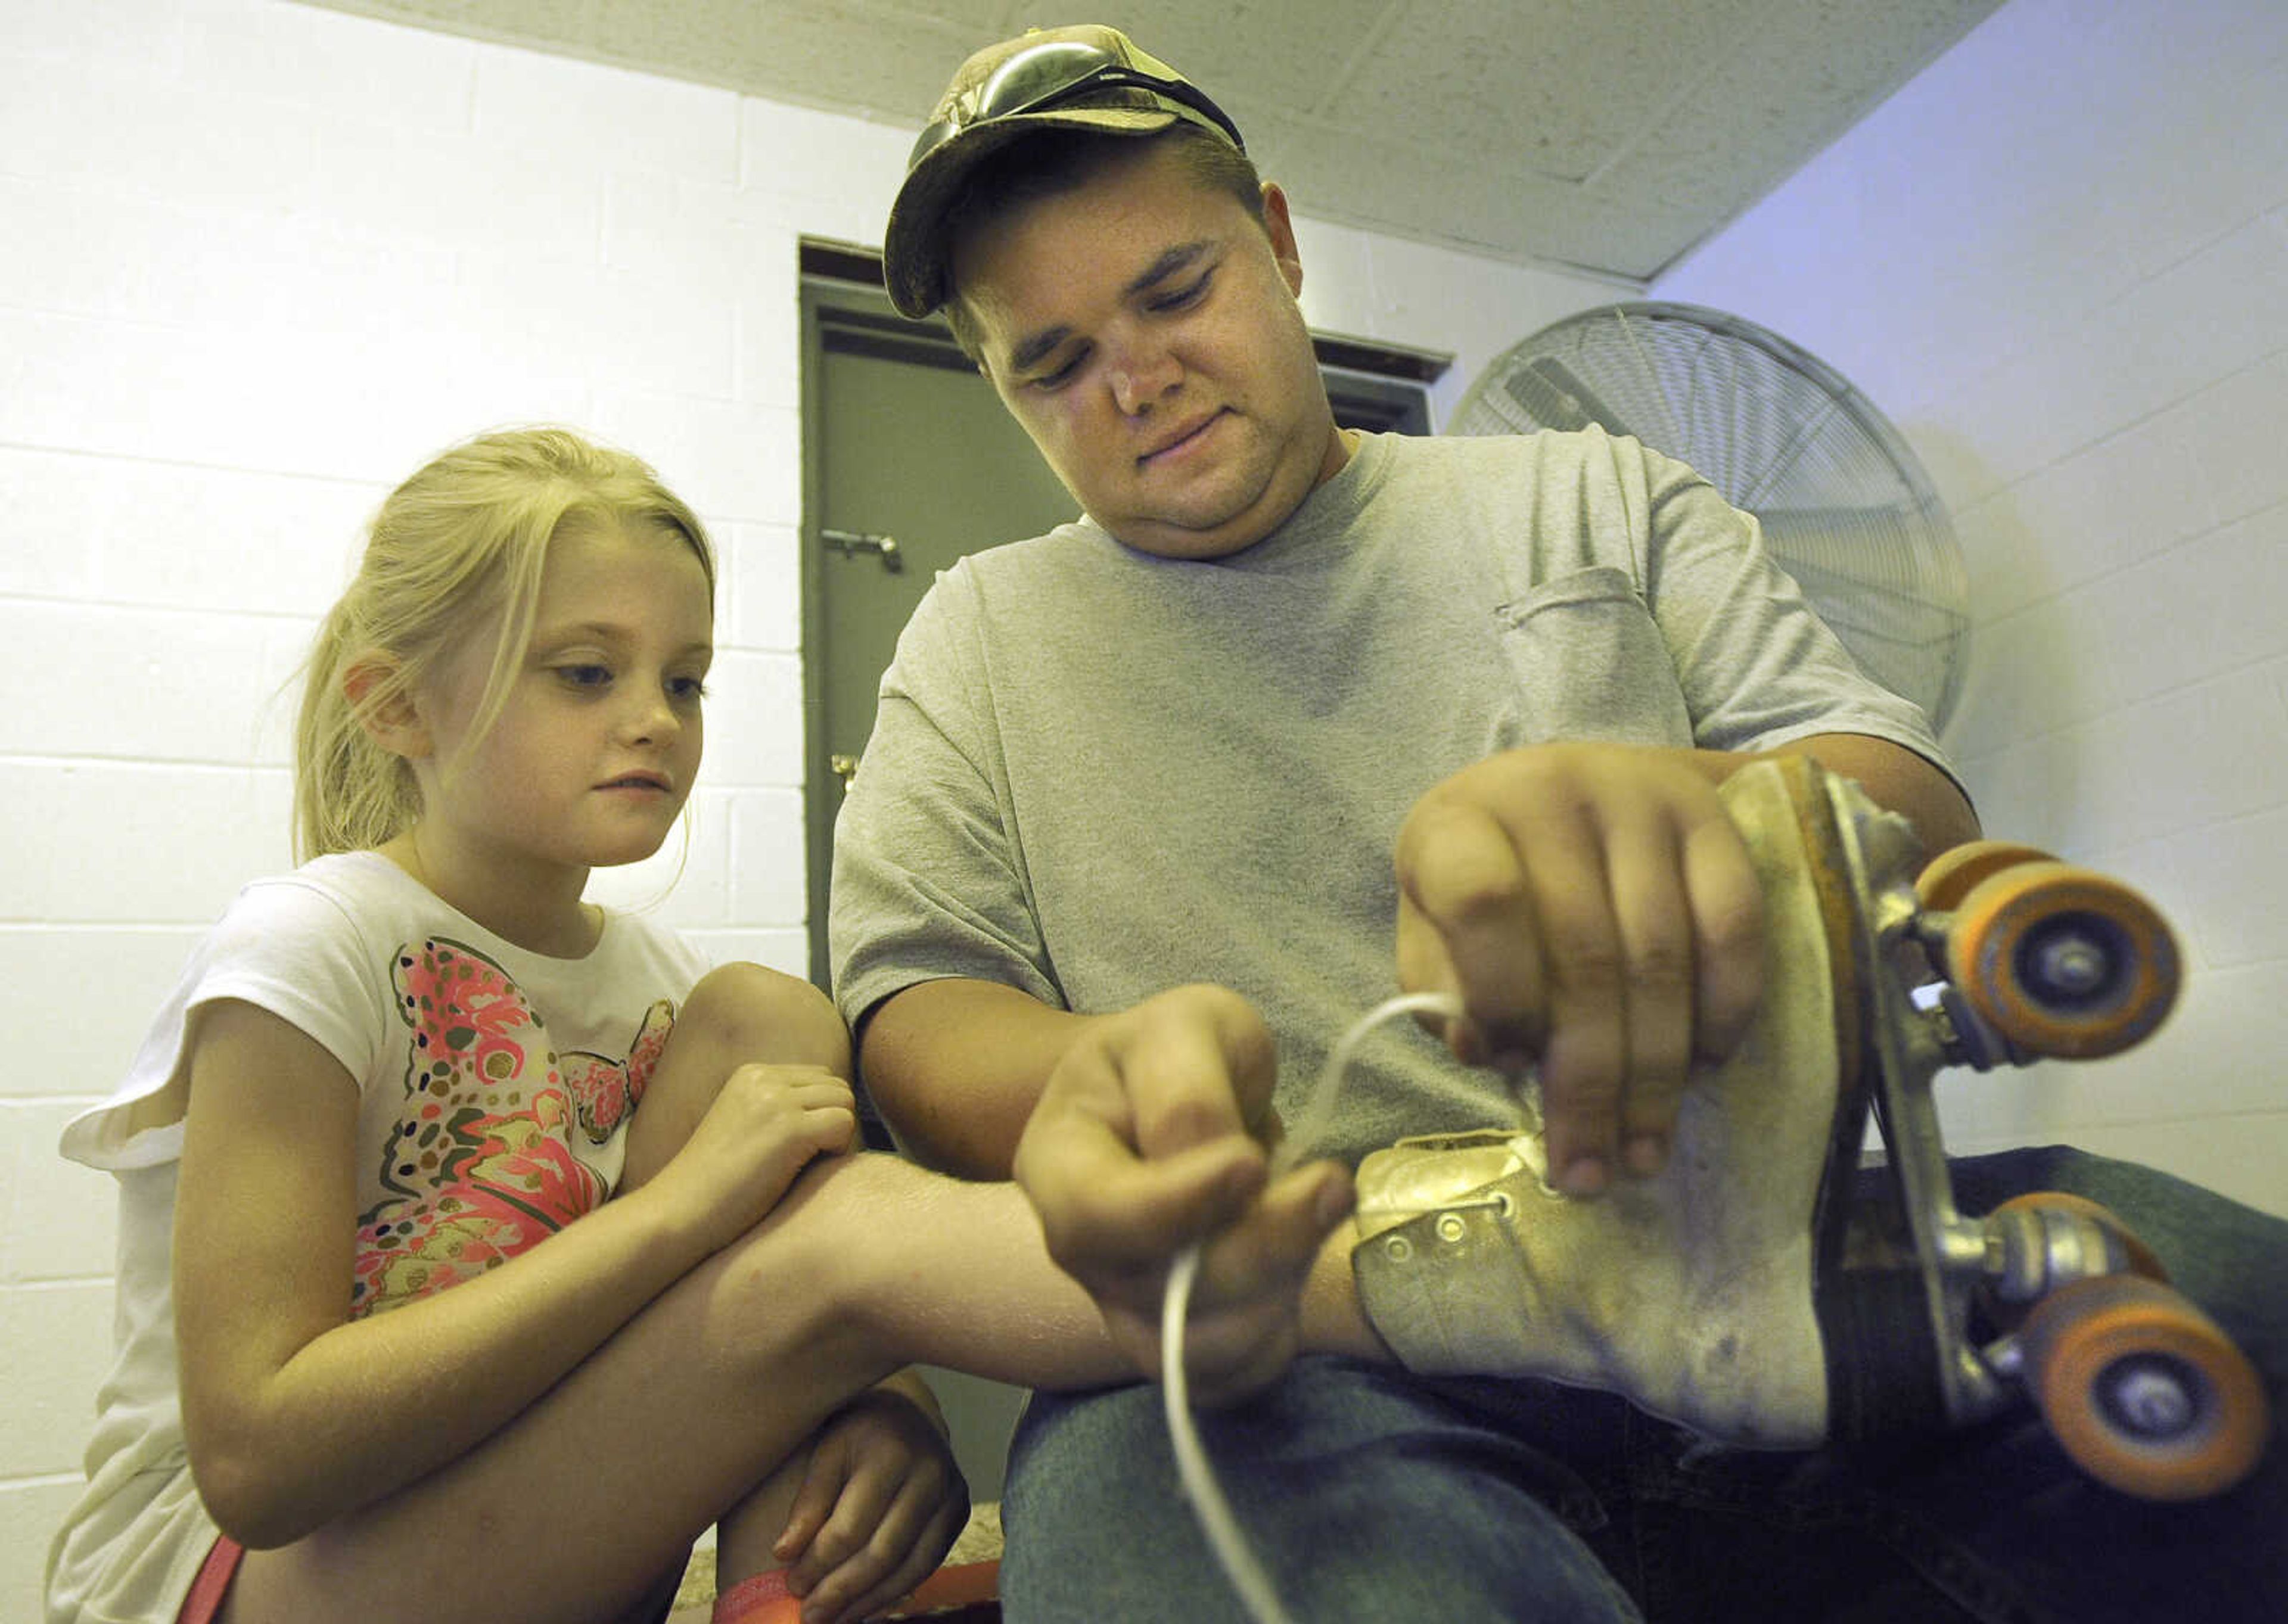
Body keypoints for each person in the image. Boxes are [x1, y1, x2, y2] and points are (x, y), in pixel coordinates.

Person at [831, 24, 2288, 1623]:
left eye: (1176, 290)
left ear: (1282, 240)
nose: (1134, 375)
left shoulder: (1596, 492)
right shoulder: (975, 639)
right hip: (1316, 1348)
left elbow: (1899, 791)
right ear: (998, 386)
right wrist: (1082, 1085)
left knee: (2238, 1314)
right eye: (1050, 359)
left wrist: (1728, 816)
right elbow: (916, 994)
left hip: (1768, 1234)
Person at [38, 426, 1418, 1624]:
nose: (656, 721)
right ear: (398, 705)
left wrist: (896, 1416)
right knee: (828, 1242)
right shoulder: (306, 948)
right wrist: (685, 1211)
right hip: (231, 1577)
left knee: (770, 1023)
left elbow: (702, 1328)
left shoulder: (661, 986)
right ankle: (1420, 1270)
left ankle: (780, 1597)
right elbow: (263, 1457)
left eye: (686, 679)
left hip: (507, 1524)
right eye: (587, 673)